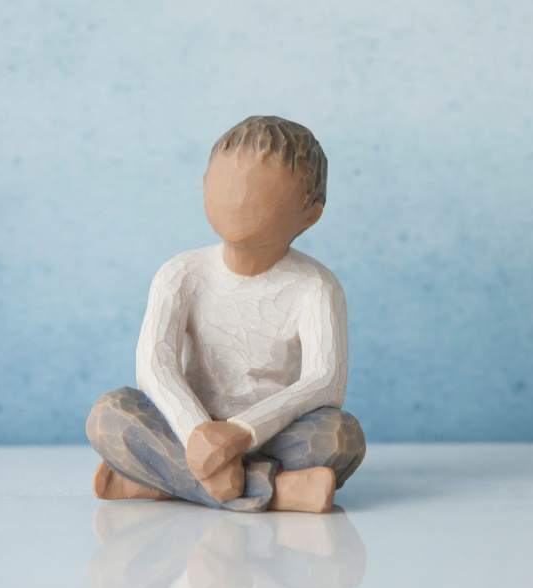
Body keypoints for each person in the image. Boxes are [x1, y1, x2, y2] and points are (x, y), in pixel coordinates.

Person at [86, 116, 365, 513]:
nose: (238, 200)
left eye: (261, 194)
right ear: (204, 185)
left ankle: (160, 479)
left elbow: (325, 382)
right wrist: (198, 432)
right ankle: (279, 491)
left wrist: (241, 431)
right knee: (109, 415)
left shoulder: (316, 286)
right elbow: (155, 364)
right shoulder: (181, 273)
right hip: (186, 426)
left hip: (270, 435)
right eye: (225, 185)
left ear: (309, 215)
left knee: (340, 437)